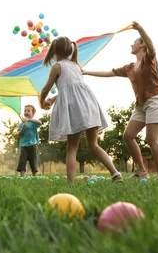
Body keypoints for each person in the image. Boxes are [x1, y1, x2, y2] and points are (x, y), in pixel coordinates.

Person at [82, 21, 158, 180]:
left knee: (151, 139)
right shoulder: (129, 67)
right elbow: (109, 73)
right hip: (141, 105)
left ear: (142, 46)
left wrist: (140, 29)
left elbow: (151, 46)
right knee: (128, 135)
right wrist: (86, 72)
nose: (131, 45)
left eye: (134, 42)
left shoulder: (149, 59)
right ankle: (142, 171)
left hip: (155, 101)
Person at [39, 36, 123, 184]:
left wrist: (41, 102)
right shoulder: (76, 66)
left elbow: (46, 89)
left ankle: (71, 184)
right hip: (89, 106)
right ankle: (115, 173)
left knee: (72, 147)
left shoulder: (57, 67)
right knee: (94, 145)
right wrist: (56, 97)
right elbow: (73, 89)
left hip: (75, 110)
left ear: (54, 51)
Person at [16, 105, 41, 177]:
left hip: (33, 145)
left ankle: (34, 176)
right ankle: (22, 176)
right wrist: (23, 128)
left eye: (28, 111)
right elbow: (19, 134)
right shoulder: (21, 124)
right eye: (25, 111)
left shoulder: (33, 123)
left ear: (33, 114)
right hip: (23, 145)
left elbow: (40, 122)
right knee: (22, 161)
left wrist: (29, 120)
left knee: (33, 161)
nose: (26, 112)